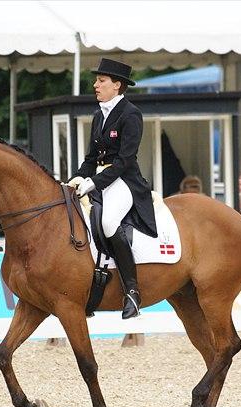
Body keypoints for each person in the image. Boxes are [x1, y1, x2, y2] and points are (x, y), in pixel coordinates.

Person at [69, 58, 157, 319]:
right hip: (99, 179)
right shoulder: (98, 115)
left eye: (101, 81)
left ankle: (132, 290)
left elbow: (124, 160)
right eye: (97, 80)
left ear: (117, 85)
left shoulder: (131, 114)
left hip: (125, 181)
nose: (95, 85)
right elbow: (90, 159)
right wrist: (74, 180)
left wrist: (94, 182)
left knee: (108, 222)